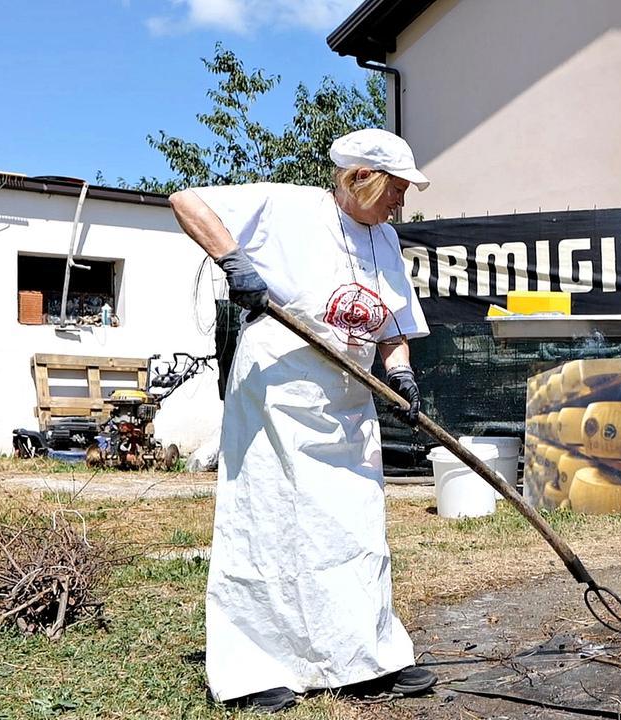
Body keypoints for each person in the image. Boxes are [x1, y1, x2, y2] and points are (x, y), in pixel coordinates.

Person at [170, 129, 436, 712]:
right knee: (271, 518)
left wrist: (403, 374)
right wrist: (234, 262)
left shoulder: (386, 239)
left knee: (352, 525)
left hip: (347, 397)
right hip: (280, 390)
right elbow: (187, 200)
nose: (400, 202)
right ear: (361, 177)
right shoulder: (287, 205)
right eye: (396, 188)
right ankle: (253, 668)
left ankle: (361, 659)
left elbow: (391, 328)